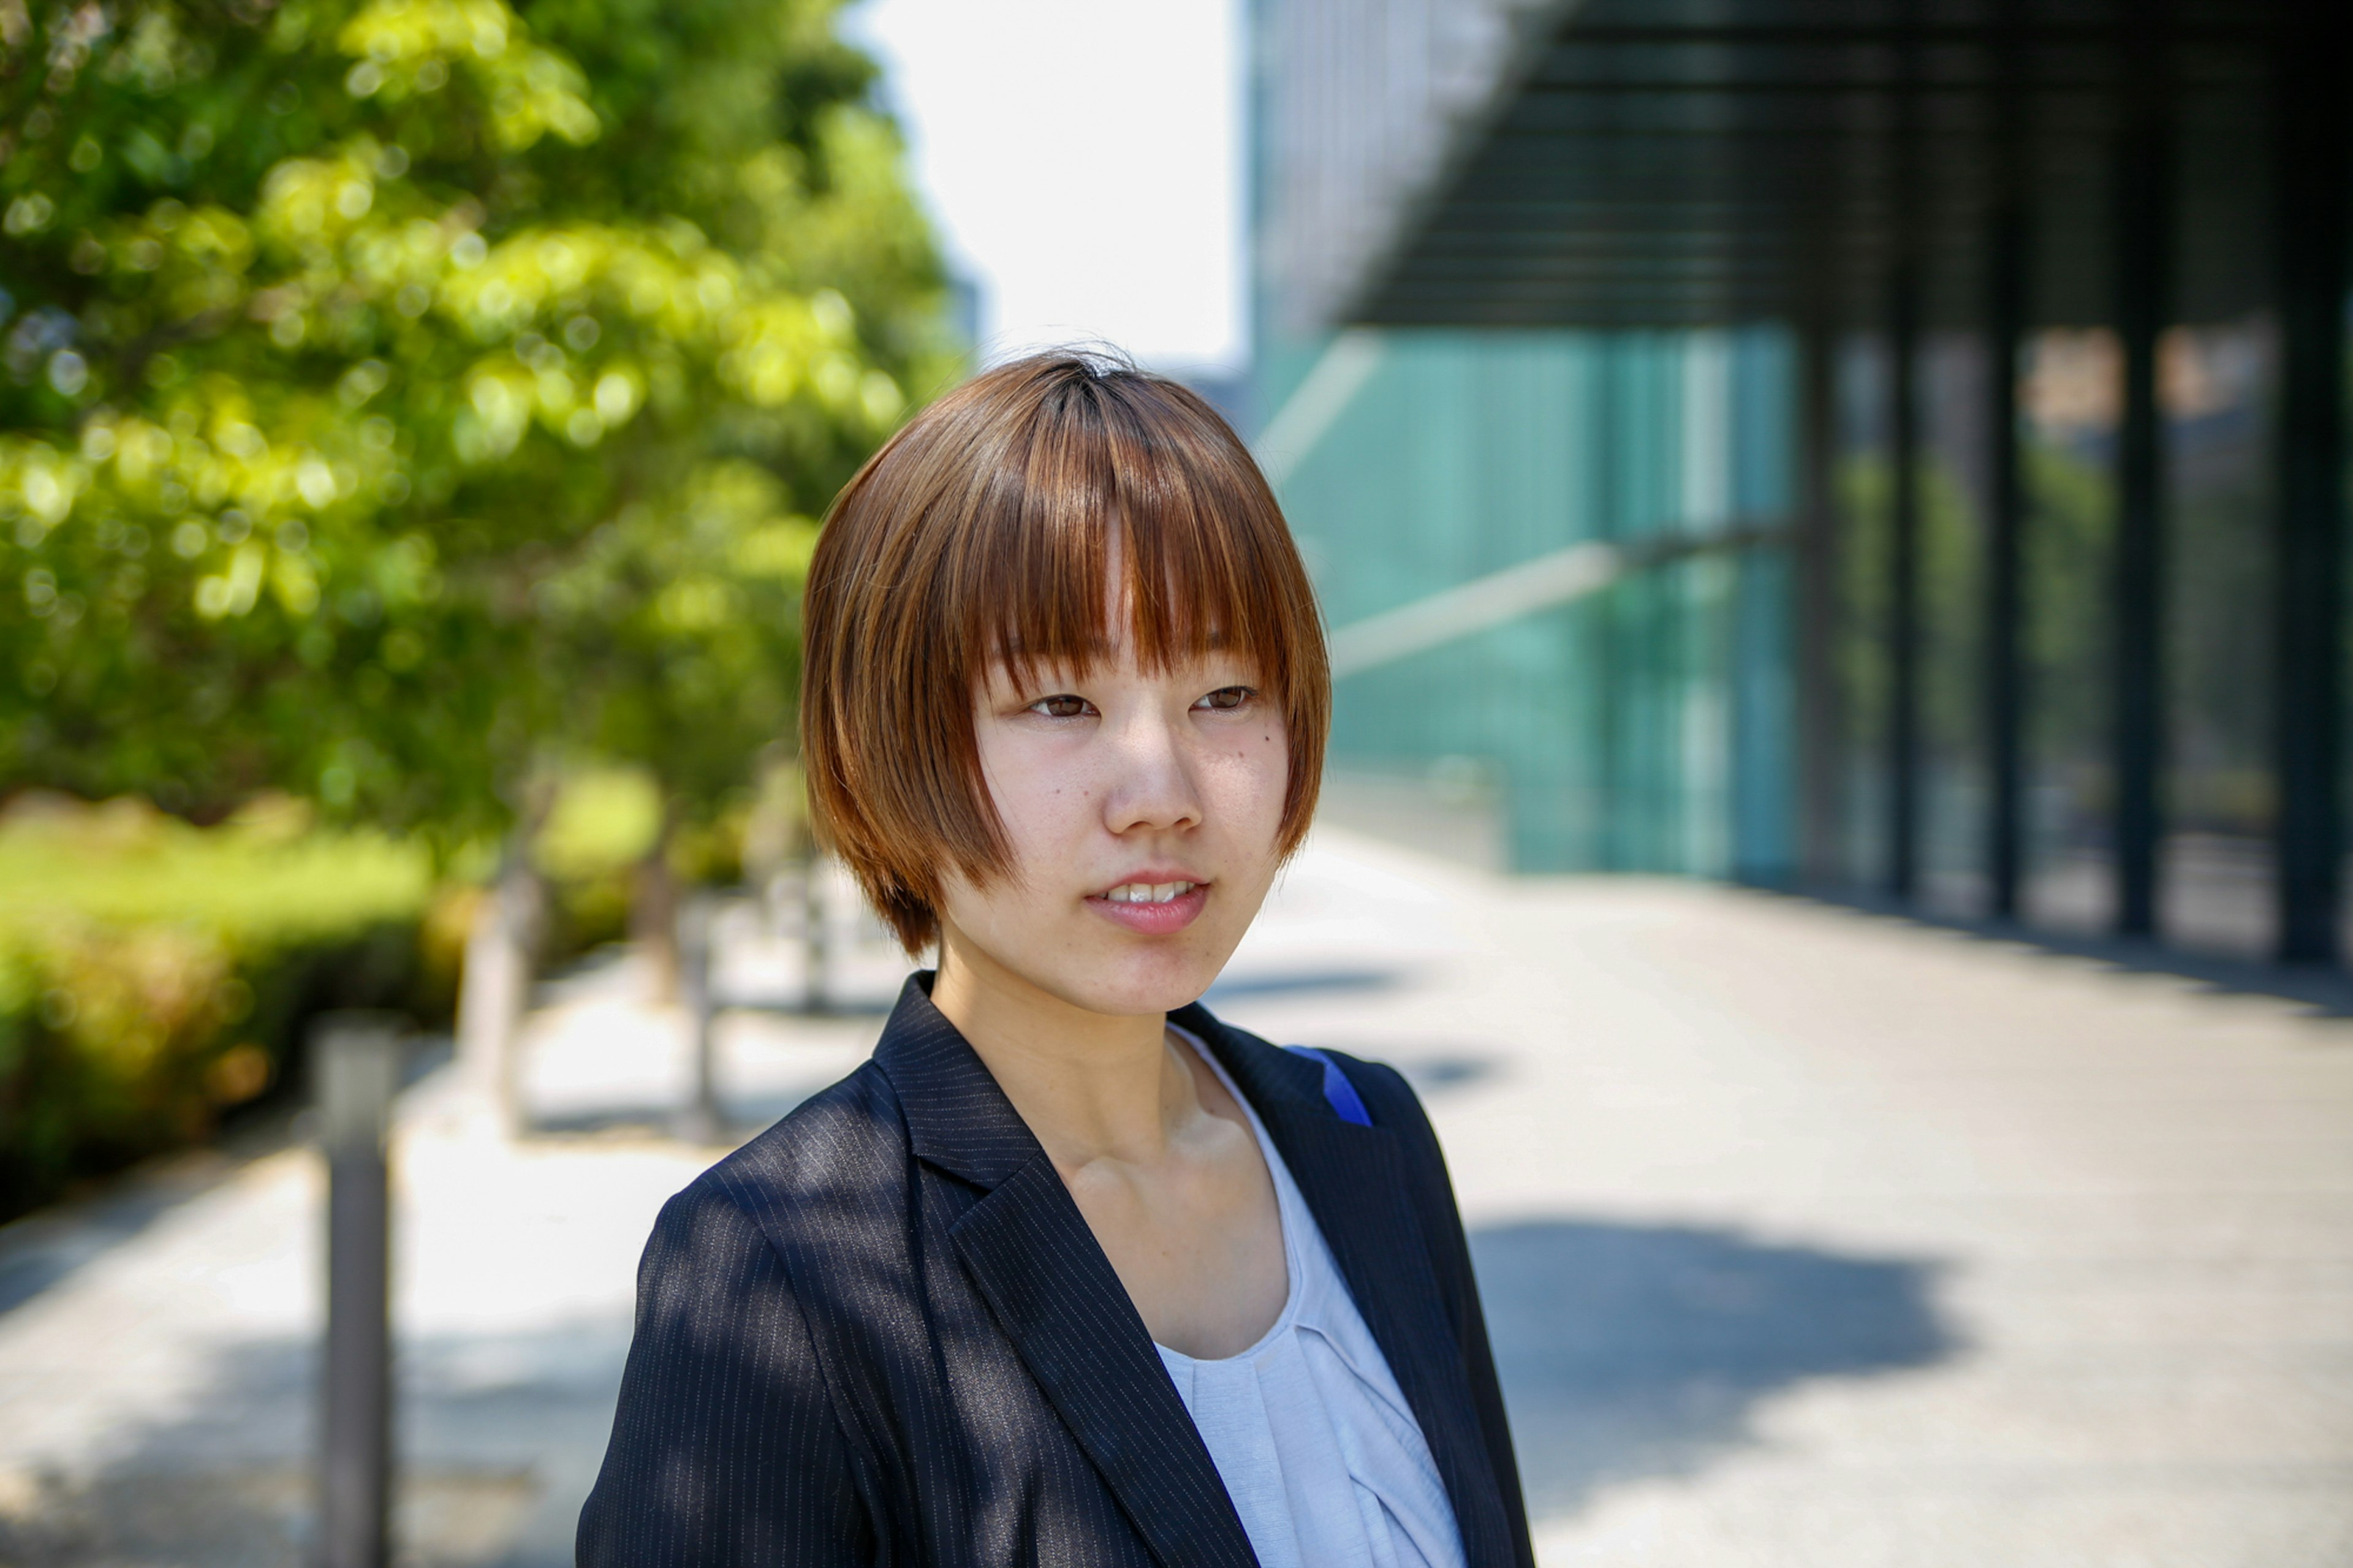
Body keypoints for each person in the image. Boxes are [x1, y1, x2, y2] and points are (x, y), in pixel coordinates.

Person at [577, 352, 1533, 1568]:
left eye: (1226, 691)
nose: (1163, 793)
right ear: (887, 748)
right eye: (1061, 703)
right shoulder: (786, 1261)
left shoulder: (1368, 1137)